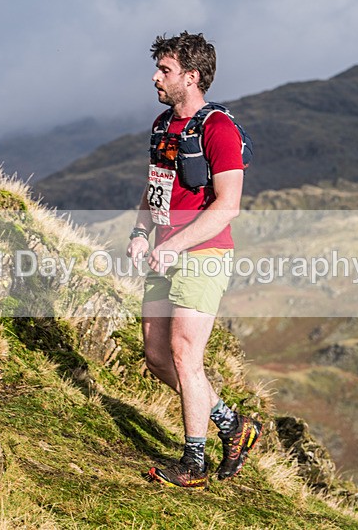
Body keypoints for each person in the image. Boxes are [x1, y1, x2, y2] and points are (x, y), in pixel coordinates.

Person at [126, 31, 261, 489]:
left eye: (165, 70)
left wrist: (175, 244)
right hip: (165, 252)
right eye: (158, 69)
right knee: (157, 356)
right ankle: (232, 424)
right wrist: (142, 232)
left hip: (203, 253)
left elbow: (228, 204)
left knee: (185, 354)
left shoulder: (218, 128)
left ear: (192, 76)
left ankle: (193, 463)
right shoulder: (162, 125)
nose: (155, 77)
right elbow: (156, 187)